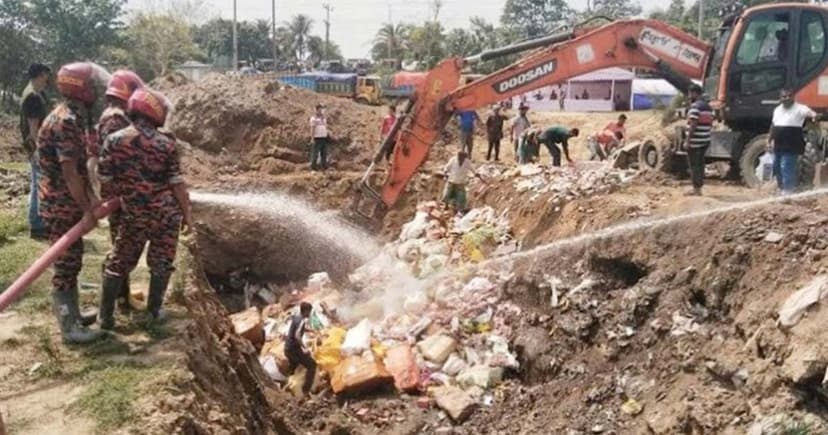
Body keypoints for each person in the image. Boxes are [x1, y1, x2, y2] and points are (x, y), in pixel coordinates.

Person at [98, 88, 192, 329]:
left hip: (133, 215)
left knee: (118, 262)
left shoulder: (113, 141)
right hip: (166, 216)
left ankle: (105, 317)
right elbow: (177, 184)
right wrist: (187, 215)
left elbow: (105, 181)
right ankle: (154, 312)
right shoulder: (166, 144)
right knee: (161, 262)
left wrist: (122, 198)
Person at [38, 62, 111, 344]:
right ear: (81, 88)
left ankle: (76, 315)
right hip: (60, 204)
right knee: (66, 264)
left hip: (65, 202)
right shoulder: (66, 121)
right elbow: (69, 172)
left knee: (74, 258)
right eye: (93, 85)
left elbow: (79, 169)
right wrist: (86, 209)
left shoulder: (71, 117)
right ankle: (69, 326)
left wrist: (91, 200)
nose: (98, 91)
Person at [94, 69, 145, 314]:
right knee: (124, 246)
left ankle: (123, 296)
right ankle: (115, 302)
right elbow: (117, 159)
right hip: (121, 194)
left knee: (123, 244)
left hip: (120, 192)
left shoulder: (114, 116)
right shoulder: (115, 120)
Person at [19, 63, 52, 240]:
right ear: (40, 75)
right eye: (46, 75)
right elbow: (33, 128)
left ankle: (37, 222)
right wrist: (37, 151)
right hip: (37, 146)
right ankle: (37, 224)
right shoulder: (33, 96)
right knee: (39, 185)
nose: (47, 79)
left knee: (36, 184)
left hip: (33, 146)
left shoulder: (31, 92)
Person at [768, 88, 817, 195]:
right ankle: (781, 188)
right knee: (776, 167)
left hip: (792, 143)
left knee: (786, 166)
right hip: (779, 143)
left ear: (793, 97)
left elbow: (812, 114)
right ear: (780, 98)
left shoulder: (800, 108)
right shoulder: (777, 110)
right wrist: (769, 140)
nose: (787, 98)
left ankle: (788, 190)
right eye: (784, 96)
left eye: (789, 96)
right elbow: (773, 126)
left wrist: (814, 117)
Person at [684, 84, 714, 196]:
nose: (689, 96)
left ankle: (696, 189)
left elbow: (693, 124)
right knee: (700, 165)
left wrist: (688, 140)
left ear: (694, 93)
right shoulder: (708, 107)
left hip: (695, 141)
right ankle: (699, 187)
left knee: (694, 165)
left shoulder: (695, 107)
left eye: (690, 94)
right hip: (705, 139)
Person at [285, 302, 317, 396]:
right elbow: (297, 335)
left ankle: (289, 389)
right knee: (312, 365)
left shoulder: (296, 317)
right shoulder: (302, 320)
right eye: (309, 311)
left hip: (287, 348)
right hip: (294, 349)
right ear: (306, 311)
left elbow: (297, 329)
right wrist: (304, 348)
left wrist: (310, 330)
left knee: (294, 368)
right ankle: (306, 390)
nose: (310, 314)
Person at [310, 104, 329, 170]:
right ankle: (313, 168)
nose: (320, 111)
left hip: (324, 138)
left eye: (321, 110)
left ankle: (324, 167)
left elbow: (325, 127)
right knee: (315, 154)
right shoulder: (313, 119)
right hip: (317, 138)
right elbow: (312, 128)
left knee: (324, 154)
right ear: (316, 110)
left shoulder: (324, 118)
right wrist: (312, 138)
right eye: (319, 110)